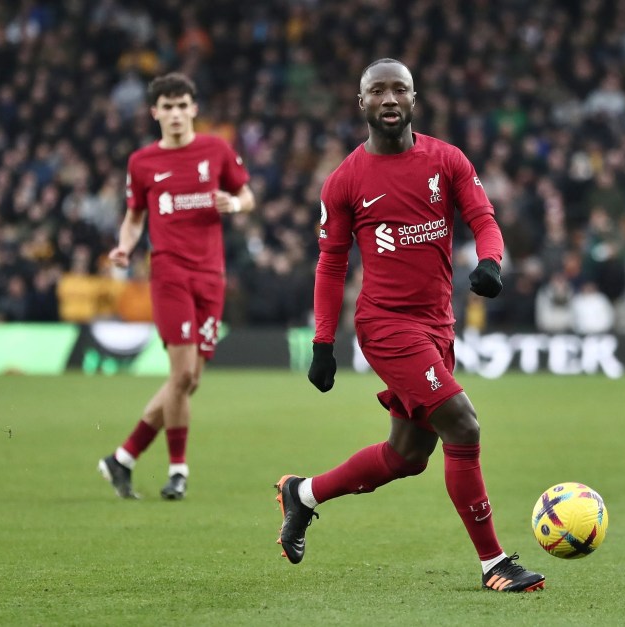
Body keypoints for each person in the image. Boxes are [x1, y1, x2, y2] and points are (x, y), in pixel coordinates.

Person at [274, 59, 545, 593]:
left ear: (415, 99)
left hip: (438, 327)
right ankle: (494, 564)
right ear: (362, 104)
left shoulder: (447, 160)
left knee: (406, 456)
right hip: (386, 326)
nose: (390, 98)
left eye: (400, 89)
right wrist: (323, 343)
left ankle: (302, 495)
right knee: (463, 425)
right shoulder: (346, 180)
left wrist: (490, 262)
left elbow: (485, 220)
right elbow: (331, 265)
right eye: (378, 90)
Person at [98, 72, 255, 500]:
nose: (175, 113)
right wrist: (124, 249)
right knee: (181, 373)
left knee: (188, 383)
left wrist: (234, 203)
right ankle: (178, 471)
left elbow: (248, 195)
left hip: (212, 276)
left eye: (182, 105)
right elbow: (134, 217)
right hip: (169, 273)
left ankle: (123, 458)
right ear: (154, 113)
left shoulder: (215, 149)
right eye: (166, 106)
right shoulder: (142, 162)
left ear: (194, 109)